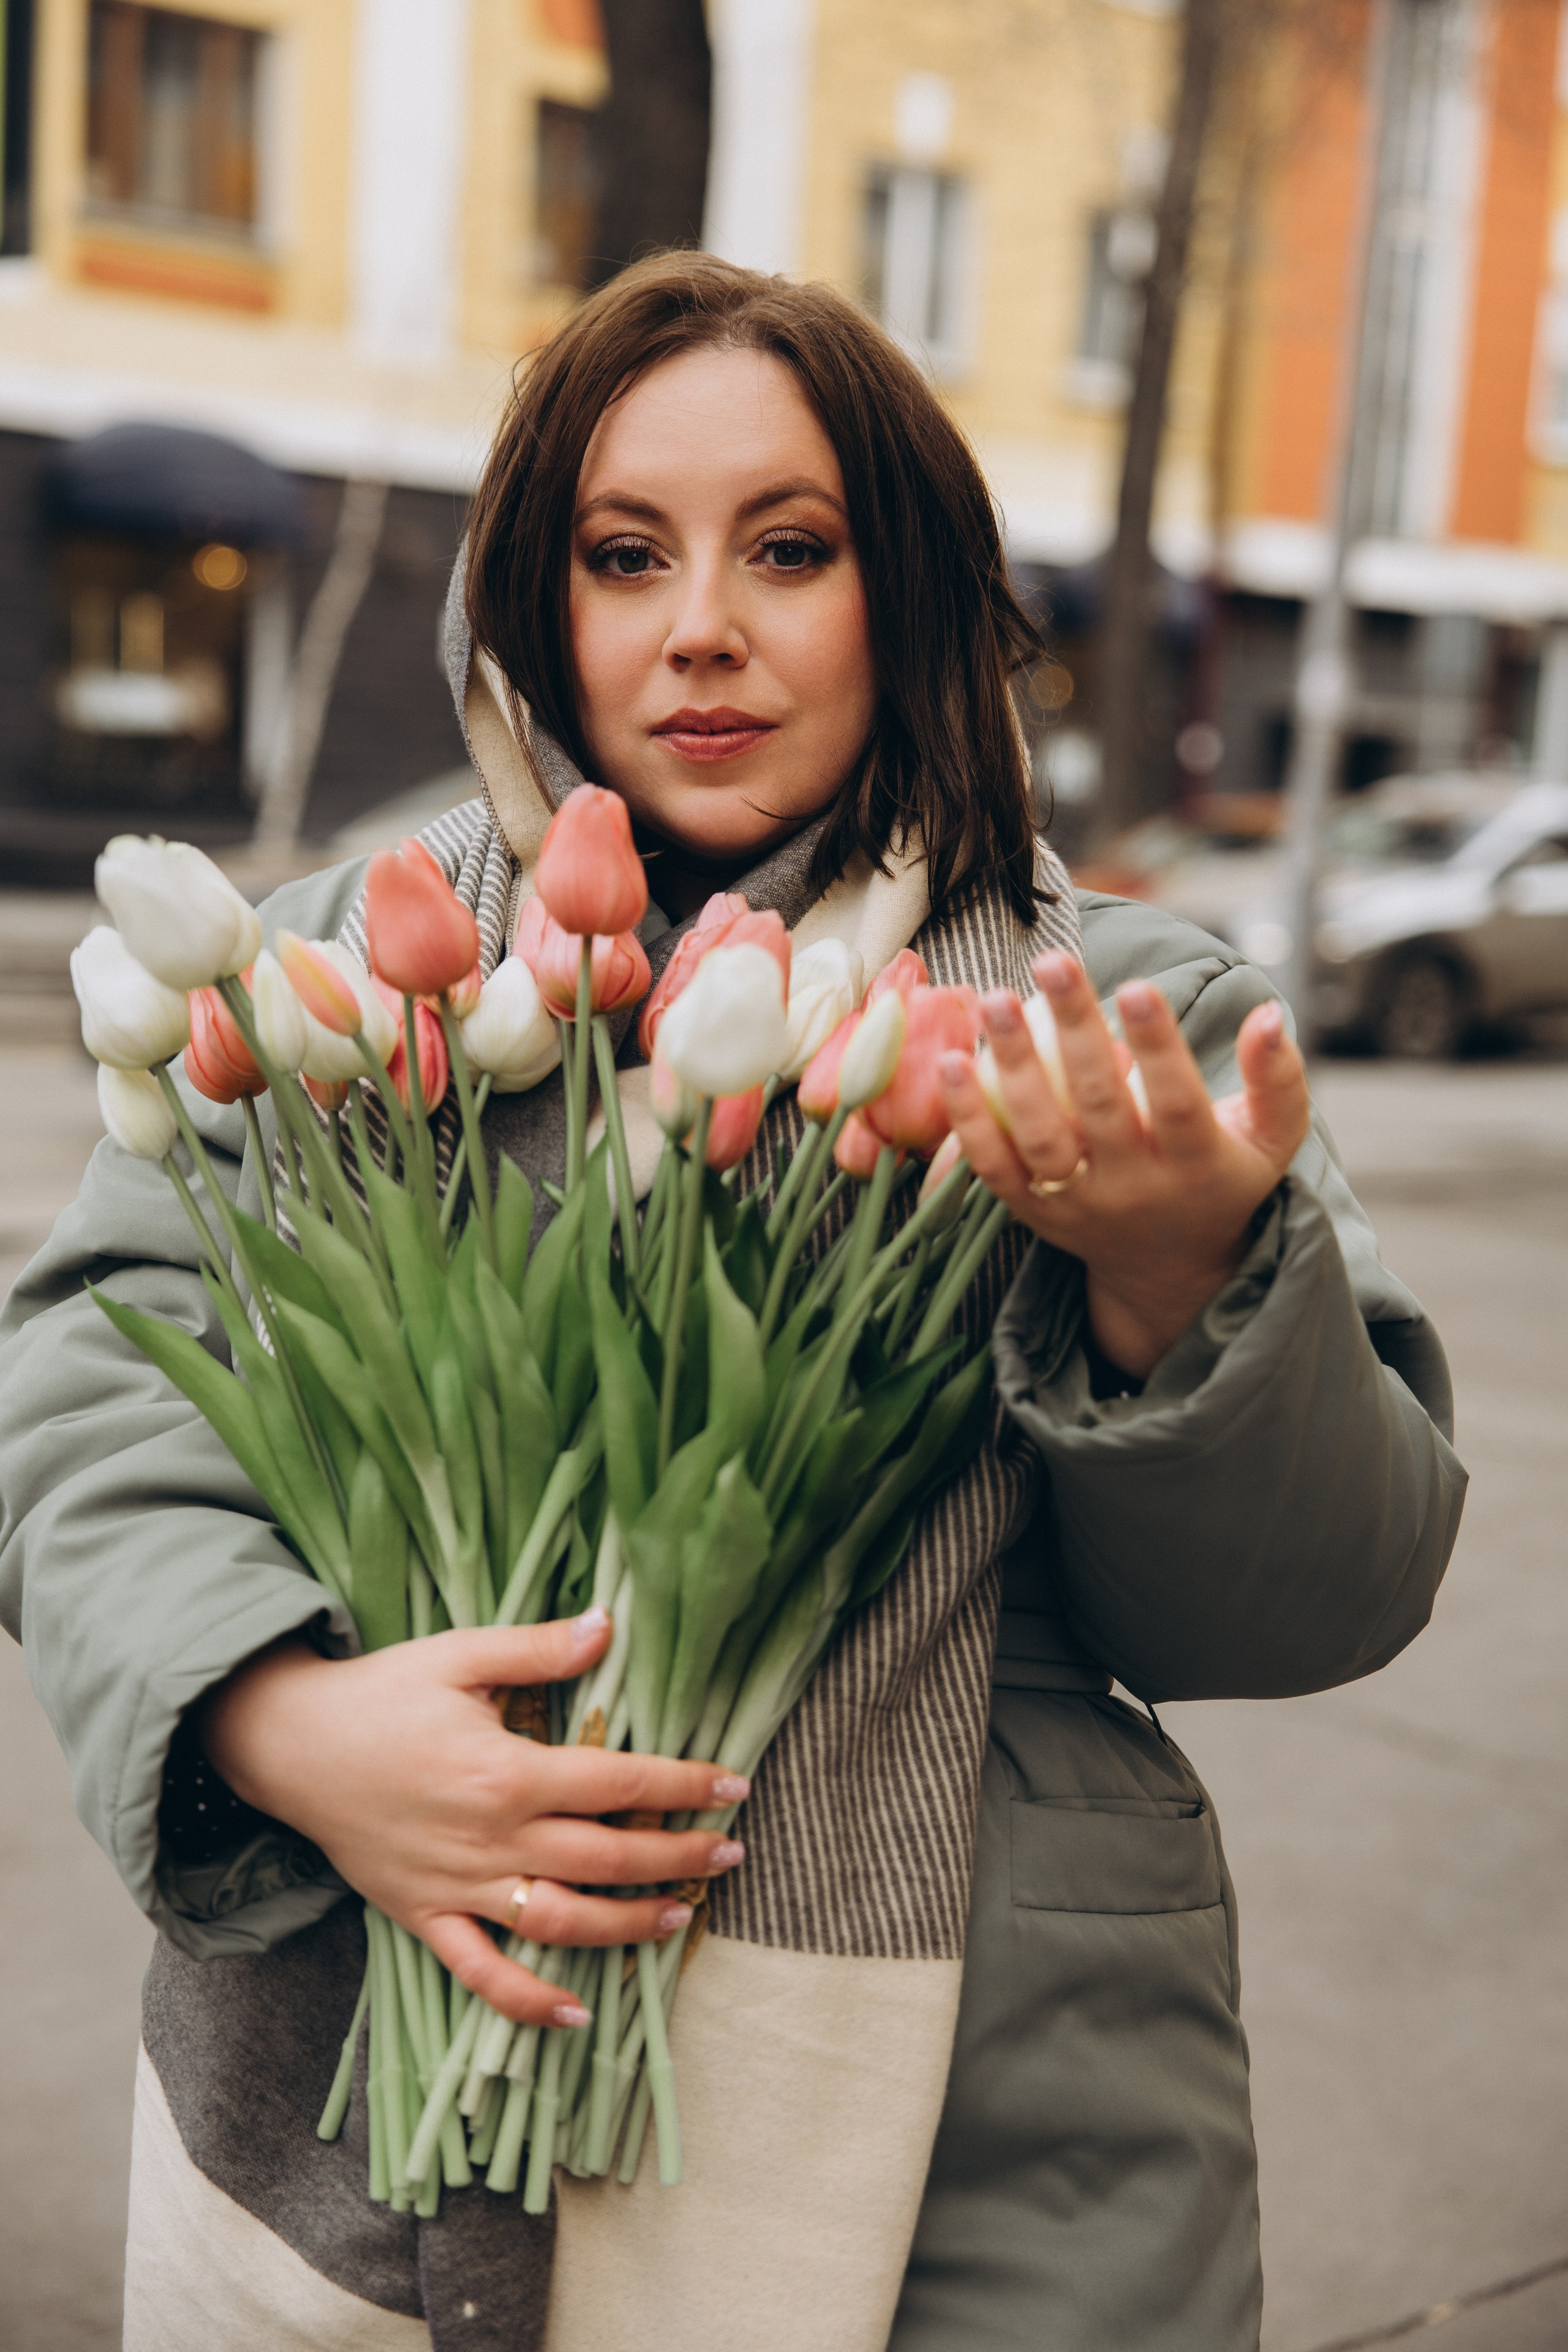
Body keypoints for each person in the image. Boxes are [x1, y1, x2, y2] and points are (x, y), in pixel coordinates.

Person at [0, 255, 1465, 2352]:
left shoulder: (1113, 1021)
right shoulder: (337, 973)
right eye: (623, 555)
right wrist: (278, 1722)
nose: (702, 626)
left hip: (983, 2153)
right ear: (534, 605)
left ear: (919, 591)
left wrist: (1180, 1284)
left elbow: (1321, 1594)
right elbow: (80, 1394)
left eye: (792, 548)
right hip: (362, 2096)